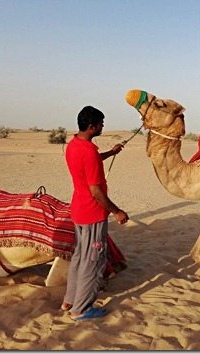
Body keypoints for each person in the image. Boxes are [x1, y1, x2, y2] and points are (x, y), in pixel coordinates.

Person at [61, 106, 129, 321]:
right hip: (92, 213)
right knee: (93, 260)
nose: (102, 126)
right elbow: (96, 191)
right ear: (91, 126)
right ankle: (80, 309)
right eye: (100, 123)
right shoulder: (88, 151)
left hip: (79, 211)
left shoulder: (74, 145)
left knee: (80, 257)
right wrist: (116, 211)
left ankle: (70, 300)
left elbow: (89, 162)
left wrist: (111, 152)